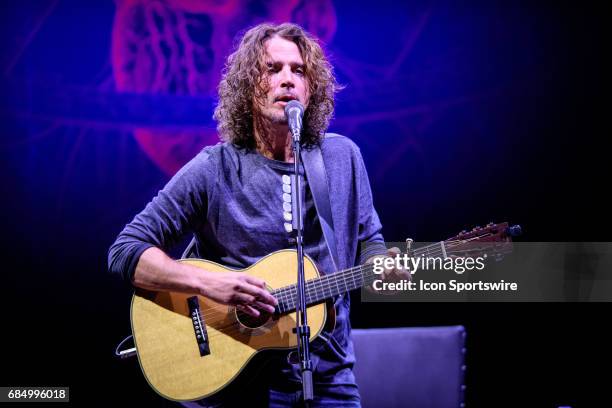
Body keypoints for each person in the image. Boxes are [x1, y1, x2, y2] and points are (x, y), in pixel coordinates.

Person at [108, 22, 404, 407]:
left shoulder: (342, 157)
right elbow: (125, 251)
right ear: (249, 86)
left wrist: (382, 270)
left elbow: (370, 243)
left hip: (330, 377)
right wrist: (209, 285)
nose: (287, 80)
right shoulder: (214, 168)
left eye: (299, 71)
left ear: (312, 88)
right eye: (272, 69)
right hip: (239, 386)